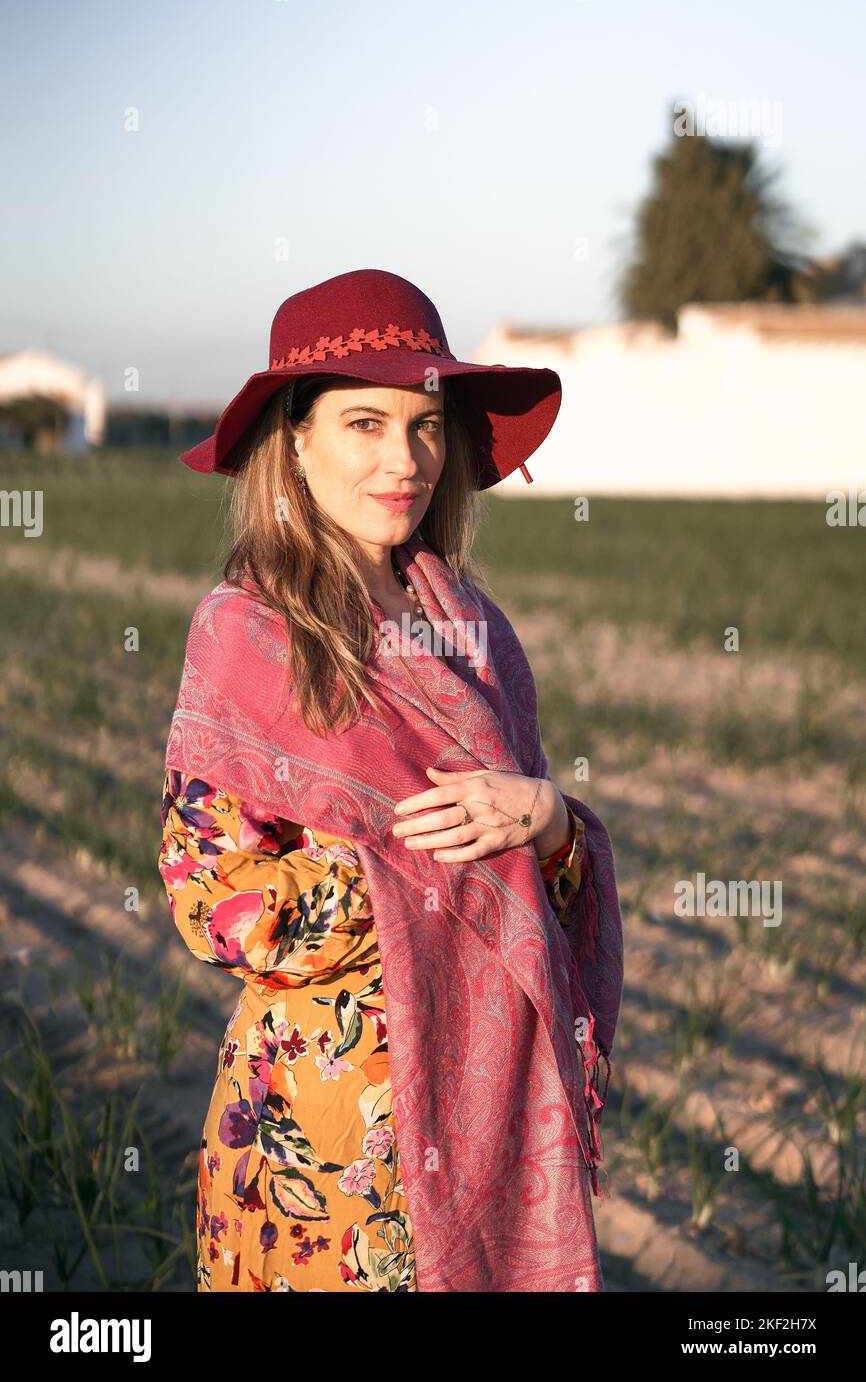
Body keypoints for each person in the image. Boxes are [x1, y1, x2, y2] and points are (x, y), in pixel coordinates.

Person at [157, 267, 624, 1292]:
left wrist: (547, 823)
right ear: (294, 438)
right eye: (363, 424)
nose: (402, 459)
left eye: (423, 425)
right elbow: (214, 905)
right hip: (331, 1147)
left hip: (494, 1106)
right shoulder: (246, 636)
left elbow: (535, 878)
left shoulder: (475, 634)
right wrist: (410, 867)